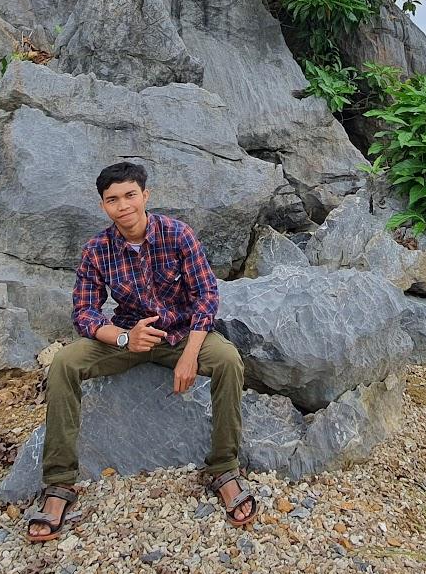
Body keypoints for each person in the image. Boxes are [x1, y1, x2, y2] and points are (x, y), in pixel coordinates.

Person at [27, 161, 257, 541]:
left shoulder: (177, 235)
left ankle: (224, 467)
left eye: (130, 195)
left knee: (229, 360)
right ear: (103, 205)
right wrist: (121, 338)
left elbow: (207, 295)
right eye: (112, 199)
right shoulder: (97, 250)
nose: (123, 206)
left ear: (145, 196)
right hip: (129, 336)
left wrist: (189, 354)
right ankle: (59, 482)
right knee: (65, 363)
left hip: (181, 334)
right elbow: (83, 312)